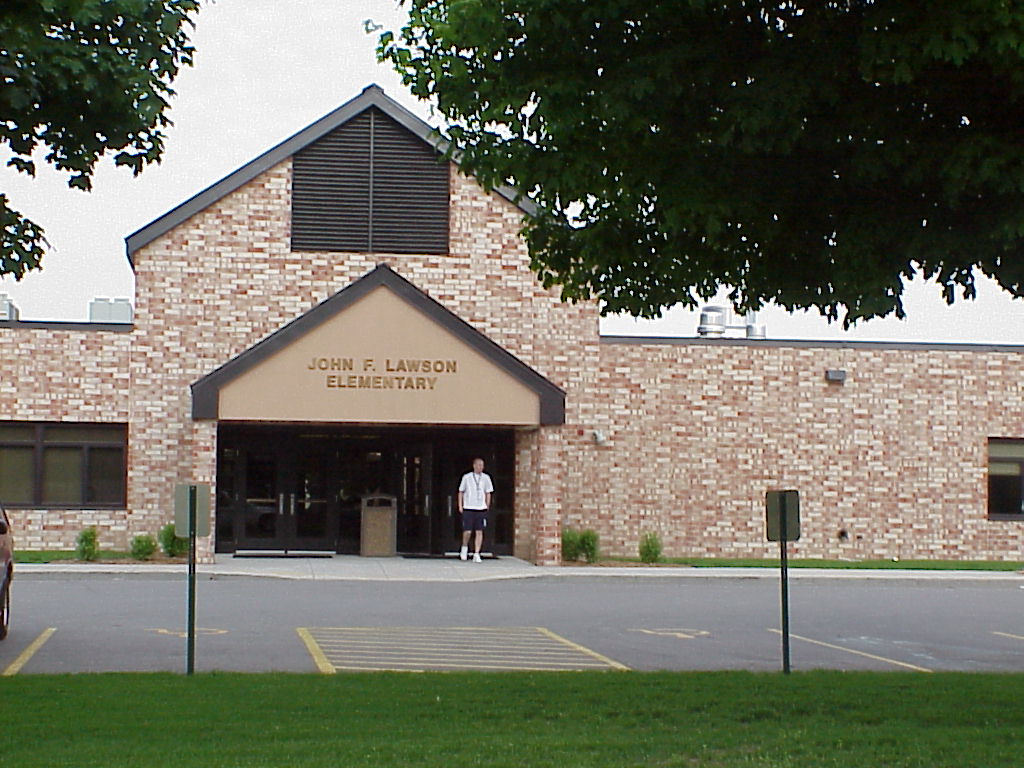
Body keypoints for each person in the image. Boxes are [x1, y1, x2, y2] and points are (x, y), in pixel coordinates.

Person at [458, 457, 493, 562]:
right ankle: (464, 547)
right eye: (478, 465)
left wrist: (487, 505)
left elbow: (488, 492)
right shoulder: (467, 477)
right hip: (468, 507)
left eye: (482, 465)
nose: (480, 467)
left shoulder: (486, 478)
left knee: (479, 531)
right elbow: (461, 491)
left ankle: (477, 553)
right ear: (474, 466)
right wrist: (461, 505)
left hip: (481, 508)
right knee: (467, 531)